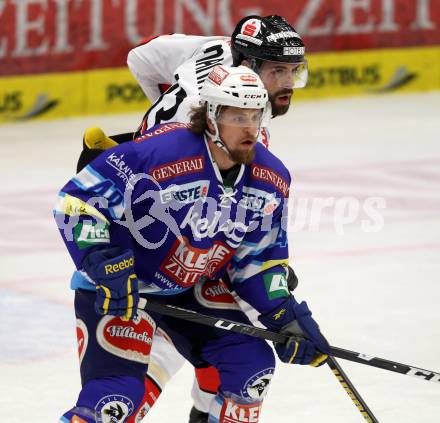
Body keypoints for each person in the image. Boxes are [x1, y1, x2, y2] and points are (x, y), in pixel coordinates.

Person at [56, 65, 329, 423]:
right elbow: (76, 202)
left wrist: (284, 316)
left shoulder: (271, 177)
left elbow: (257, 259)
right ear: (212, 117)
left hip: (189, 288)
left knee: (251, 367)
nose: (249, 126)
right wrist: (100, 259)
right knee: (115, 397)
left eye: (255, 115)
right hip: (121, 288)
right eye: (237, 115)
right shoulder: (158, 154)